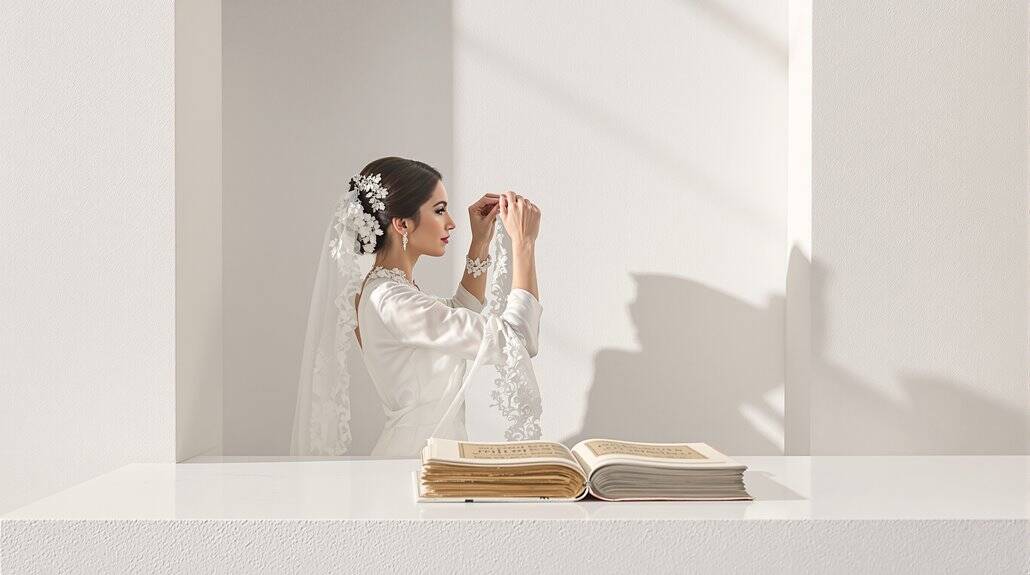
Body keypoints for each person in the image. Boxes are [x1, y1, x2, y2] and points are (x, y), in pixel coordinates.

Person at [290, 157, 543, 457]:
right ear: (402, 224)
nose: (451, 222)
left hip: (423, 458)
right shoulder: (391, 301)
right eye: (439, 211)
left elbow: (460, 314)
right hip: (410, 465)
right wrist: (524, 244)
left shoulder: (389, 292)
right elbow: (517, 340)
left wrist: (480, 243)